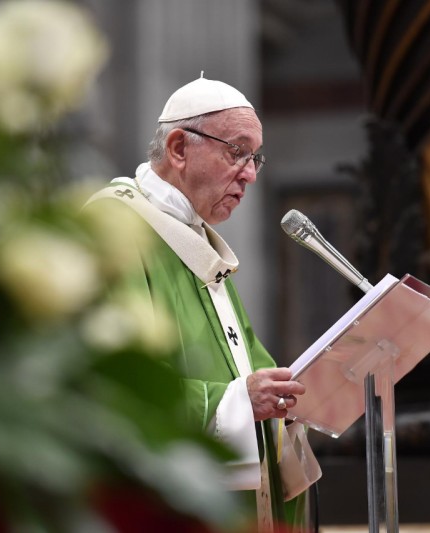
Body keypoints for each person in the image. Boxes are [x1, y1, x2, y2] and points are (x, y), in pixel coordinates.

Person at [85, 75, 320, 532]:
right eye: (237, 151)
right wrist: (236, 402)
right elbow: (110, 382)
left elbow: (250, 368)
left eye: (255, 159)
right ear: (178, 148)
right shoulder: (116, 228)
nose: (250, 174)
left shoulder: (194, 242)